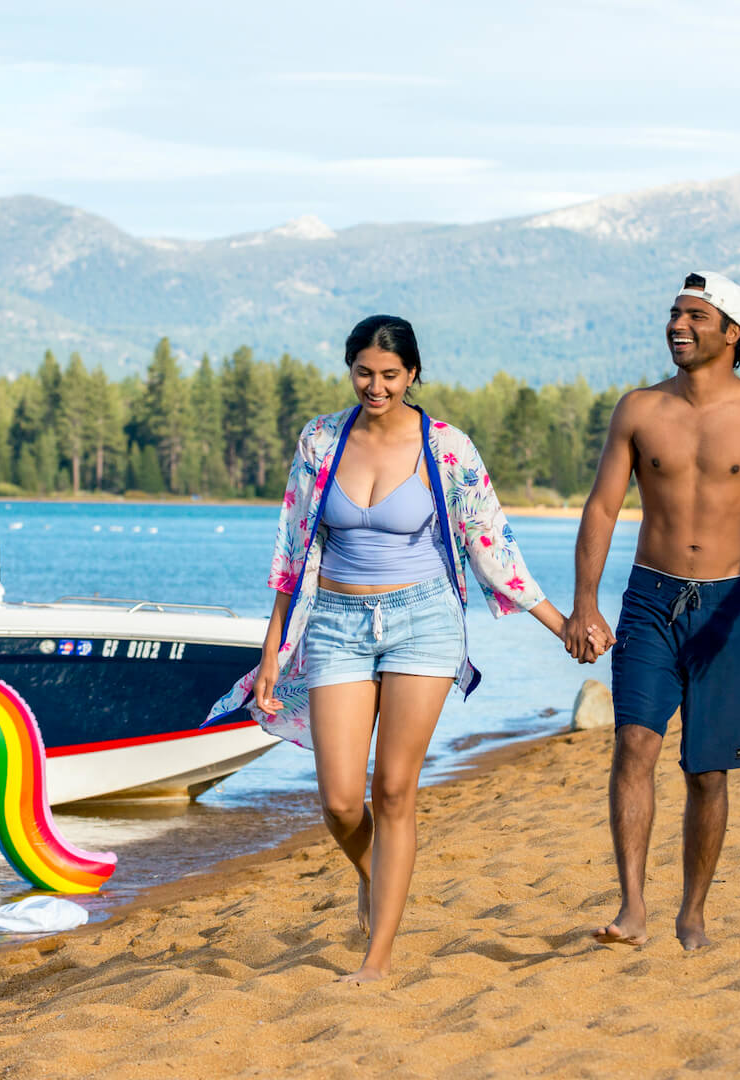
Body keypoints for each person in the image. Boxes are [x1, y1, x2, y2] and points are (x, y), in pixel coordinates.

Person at [207, 315, 574, 984]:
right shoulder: (321, 439)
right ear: (350, 369)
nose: (376, 387)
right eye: (364, 373)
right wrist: (271, 652)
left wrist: (561, 623)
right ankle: (375, 874)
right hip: (335, 623)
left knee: (396, 788)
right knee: (341, 802)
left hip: (423, 623)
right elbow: (292, 550)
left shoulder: (445, 446)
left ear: (412, 375)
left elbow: (491, 544)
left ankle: (376, 959)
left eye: (390, 375)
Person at [563, 271, 740, 950]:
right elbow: (602, 507)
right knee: (634, 745)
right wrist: (584, 602)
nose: (677, 326)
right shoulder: (639, 409)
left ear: (732, 332)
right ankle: (633, 908)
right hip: (649, 600)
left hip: (724, 608)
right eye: (674, 314)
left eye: (695, 316)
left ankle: (693, 914)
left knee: (707, 771)